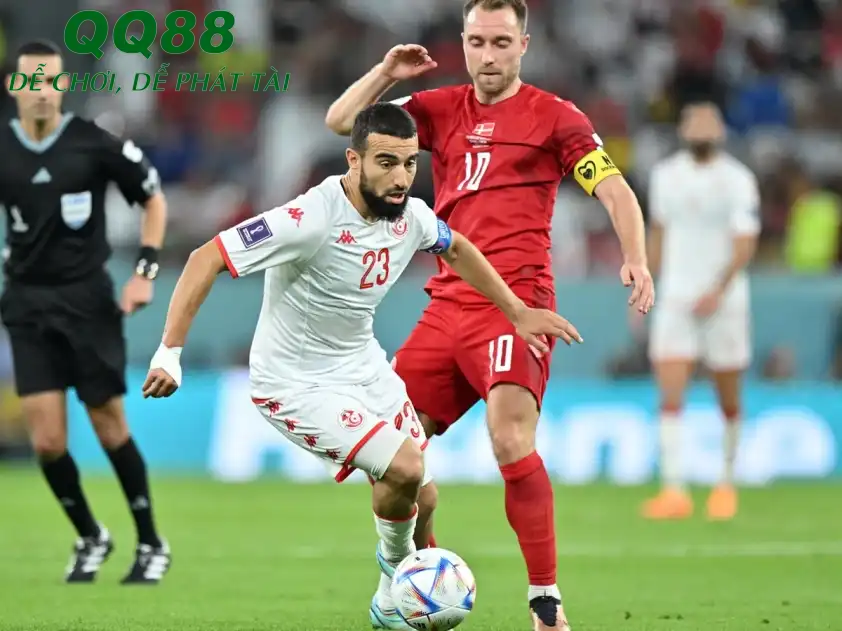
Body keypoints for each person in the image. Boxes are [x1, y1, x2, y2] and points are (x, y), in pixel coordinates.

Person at [142, 102, 581, 630]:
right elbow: (206, 258)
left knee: (424, 497)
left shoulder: (411, 216)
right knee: (405, 467)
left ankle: (387, 600)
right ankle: (397, 589)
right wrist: (170, 352)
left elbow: (456, 247)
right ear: (354, 161)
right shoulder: (310, 217)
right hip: (295, 382)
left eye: (410, 164)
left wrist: (516, 310)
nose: (401, 178)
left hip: (363, 368)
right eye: (386, 163)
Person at [324, 1, 654, 628]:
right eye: (477, 41)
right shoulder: (438, 108)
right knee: (389, 454)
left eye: (501, 42)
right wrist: (387, 73)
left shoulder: (556, 118)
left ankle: (545, 601)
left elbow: (614, 189)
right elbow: (344, 122)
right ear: (464, 43)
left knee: (509, 438)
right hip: (446, 304)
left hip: (517, 306)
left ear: (523, 45)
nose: (488, 55)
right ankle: (420, 576)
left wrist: (635, 256)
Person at [0, 40, 170, 583]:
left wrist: (144, 274)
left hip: (86, 301)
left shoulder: (92, 142)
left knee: (108, 425)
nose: (42, 91)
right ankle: (91, 534)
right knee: (47, 441)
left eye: (51, 80)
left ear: (63, 85)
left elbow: (152, 198)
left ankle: (150, 542)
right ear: (14, 87)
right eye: (32, 81)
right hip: (26, 302)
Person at [644, 102, 760, 520]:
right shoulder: (665, 176)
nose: (701, 129)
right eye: (694, 122)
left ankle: (726, 483)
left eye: (708, 122)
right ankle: (674, 490)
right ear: (683, 129)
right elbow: (658, 232)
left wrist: (718, 288)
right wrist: (647, 282)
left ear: (721, 130)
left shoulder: (737, 179)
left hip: (725, 301)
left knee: (727, 394)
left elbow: (745, 242)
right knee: (670, 391)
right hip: (677, 296)